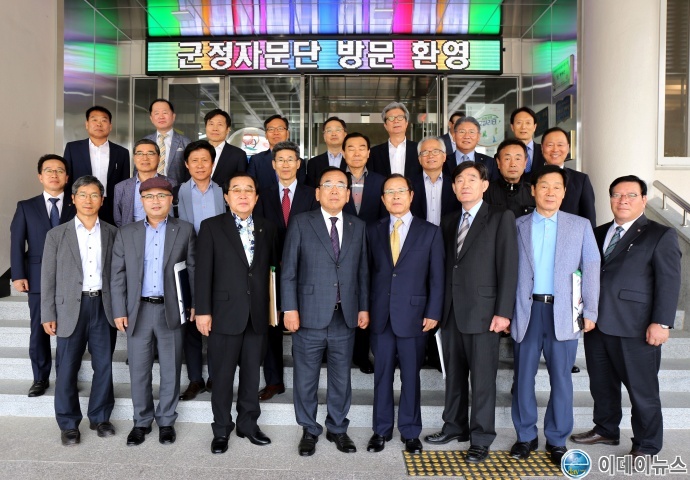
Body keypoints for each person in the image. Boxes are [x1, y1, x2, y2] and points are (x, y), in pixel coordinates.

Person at [571, 175, 682, 458]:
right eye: (617, 195)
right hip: (597, 324)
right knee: (601, 384)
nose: (623, 200)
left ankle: (647, 443)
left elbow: (669, 282)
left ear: (644, 200)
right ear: (610, 199)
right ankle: (606, 429)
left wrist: (661, 322)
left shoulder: (660, 234)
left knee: (641, 390)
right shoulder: (597, 233)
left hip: (636, 326)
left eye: (631, 195)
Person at [425, 161, 518, 464]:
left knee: (482, 380)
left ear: (484, 185)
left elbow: (508, 266)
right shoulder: (449, 220)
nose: (465, 185)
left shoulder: (501, 217)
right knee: (453, 376)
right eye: (459, 181)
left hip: (485, 313)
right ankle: (455, 427)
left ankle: (481, 438)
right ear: (453, 188)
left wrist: (504, 312)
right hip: (451, 312)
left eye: (471, 179)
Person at [509, 165, 600, 466]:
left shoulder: (580, 225)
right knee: (523, 377)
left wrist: (591, 310)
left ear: (564, 192)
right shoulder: (517, 225)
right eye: (544, 186)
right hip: (526, 310)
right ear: (533, 190)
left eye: (556, 187)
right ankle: (525, 436)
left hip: (564, 312)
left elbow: (591, 268)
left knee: (561, 379)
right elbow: (506, 270)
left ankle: (557, 438)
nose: (550, 192)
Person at [281, 166, 370, 457]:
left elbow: (362, 272)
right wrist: (290, 308)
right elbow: (289, 271)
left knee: (341, 378)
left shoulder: (358, 226)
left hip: (345, 316)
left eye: (341, 185)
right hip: (308, 315)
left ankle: (338, 428)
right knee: (305, 378)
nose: (334, 190)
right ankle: (309, 429)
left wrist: (364, 307)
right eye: (328, 185)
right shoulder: (301, 222)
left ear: (348, 194)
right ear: (318, 193)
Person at [195, 172, 278, 454]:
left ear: (256, 197)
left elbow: (272, 272)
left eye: (248, 190)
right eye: (237, 190)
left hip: (257, 315)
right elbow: (203, 272)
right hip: (223, 314)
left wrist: (274, 310)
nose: (243, 195)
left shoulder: (268, 227)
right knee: (222, 377)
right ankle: (221, 429)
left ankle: (247, 424)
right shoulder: (211, 227)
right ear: (226, 197)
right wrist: (203, 311)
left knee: (252, 376)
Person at [111, 177, 196, 447]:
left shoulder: (185, 230)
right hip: (138, 310)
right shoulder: (127, 232)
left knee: (171, 368)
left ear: (171, 200)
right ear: (141, 201)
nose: (155, 201)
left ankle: (167, 421)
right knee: (139, 370)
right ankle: (141, 421)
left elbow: (192, 269)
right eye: (149, 196)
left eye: (161, 196)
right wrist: (119, 309)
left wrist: (193, 303)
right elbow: (117, 275)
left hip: (171, 309)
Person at [366, 174, 444, 454]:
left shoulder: (430, 231)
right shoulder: (372, 230)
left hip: (415, 316)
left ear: (411, 195)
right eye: (390, 192)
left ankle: (411, 431)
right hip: (381, 316)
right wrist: (365, 309)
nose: (396, 196)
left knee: (411, 377)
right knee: (382, 375)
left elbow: (437, 277)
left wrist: (434, 311)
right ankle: (381, 430)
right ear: (383, 199)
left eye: (401, 191)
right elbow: (366, 274)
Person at [41, 175, 118, 446]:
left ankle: (100, 417)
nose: (88, 200)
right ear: (73, 199)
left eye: (94, 195)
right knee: (67, 368)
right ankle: (68, 423)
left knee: (104, 365)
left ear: (102, 200)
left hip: (103, 306)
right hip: (69, 308)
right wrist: (48, 313)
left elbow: (118, 275)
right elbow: (47, 277)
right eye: (82, 195)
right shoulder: (56, 235)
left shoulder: (112, 232)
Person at [254, 141, 319, 401]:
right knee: (272, 325)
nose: (285, 164)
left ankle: (305, 381)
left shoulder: (311, 194)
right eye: (280, 160)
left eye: (290, 159)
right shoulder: (263, 195)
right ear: (273, 164)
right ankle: (274, 381)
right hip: (272, 270)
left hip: (305, 270)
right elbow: (259, 232)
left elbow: (316, 233)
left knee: (302, 324)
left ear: (298, 164)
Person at [10, 154, 76, 397]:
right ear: (40, 176)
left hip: (71, 277)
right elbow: (17, 242)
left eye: (60, 170)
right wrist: (18, 274)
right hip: (38, 277)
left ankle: (66, 378)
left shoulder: (77, 204)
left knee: (68, 330)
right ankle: (40, 378)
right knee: (39, 329)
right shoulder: (26, 206)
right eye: (49, 170)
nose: (54, 174)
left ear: (67, 177)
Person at [174, 140, 226, 401]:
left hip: (220, 263)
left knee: (218, 322)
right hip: (186, 262)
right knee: (190, 322)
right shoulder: (178, 192)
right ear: (186, 164)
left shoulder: (224, 191)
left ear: (212, 163)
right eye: (194, 160)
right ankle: (195, 378)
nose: (200, 165)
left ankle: (216, 376)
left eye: (205, 160)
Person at [341, 132, 386, 374]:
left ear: (368, 153)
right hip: (339, 250)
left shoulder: (380, 181)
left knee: (366, 299)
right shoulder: (335, 179)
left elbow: (386, 218)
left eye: (361, 148)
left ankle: (361, 355)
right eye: (351, 148)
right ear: (343, 152)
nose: (356, 153)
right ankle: (339, 351)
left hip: (373, 250)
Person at [63, 106, 130, 225]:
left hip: (111, 207)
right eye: (94, 120)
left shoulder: (122, 152)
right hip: (81, 204)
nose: (99, 124)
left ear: (110, 126)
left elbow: (124, 184)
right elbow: (66, 179)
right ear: (87, 124)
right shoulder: (73, 148)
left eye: (104, 120)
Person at [541, 127, 596, 228]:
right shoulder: (529, 179)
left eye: (560, 145)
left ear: (568, 148)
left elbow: (589, 222)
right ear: (542, 148)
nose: (555, 149)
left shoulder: (581, 180)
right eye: (550, 145)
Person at [113, 139, 176, 227]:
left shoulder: (173, 184)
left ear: (159, 158)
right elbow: (118, 219)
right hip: (132, 234)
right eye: (140, 154)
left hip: (166, 234)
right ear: (134, 158)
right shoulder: (121, 187)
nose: (145, 158)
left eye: (150, 154)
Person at [410, 136, 460, 225]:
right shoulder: (409, 184)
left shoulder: (455, 184)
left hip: (447, 233)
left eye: (436, 151)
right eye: (425, 152)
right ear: (419, 159)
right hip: (418, 233)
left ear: (444, 157)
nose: (430, 156)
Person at [248, 114, 307, 189]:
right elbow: (250, 187)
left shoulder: (299, 162)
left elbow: (301, 189)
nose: (276, 133)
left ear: (287, 134)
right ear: (266, 135)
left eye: (280, 128)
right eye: (271, 129)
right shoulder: (256, 160)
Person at [483, 139, 535, 218]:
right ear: (498, 162)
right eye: (507, 159)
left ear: (525, 163)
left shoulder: (534, 192)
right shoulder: (485, 192)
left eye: (517, 159)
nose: (513, 164)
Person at [144, 98, 191, 186]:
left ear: (173, 116)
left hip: (177, 190)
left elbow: (191, 171)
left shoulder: (186, 142)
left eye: (165, 113)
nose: (161, 117)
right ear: (151, 118)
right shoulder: (144, 142)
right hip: (149, 190)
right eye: (156, 113)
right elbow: (137, 170)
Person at [369, 102, 421, 178]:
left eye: (400, 117)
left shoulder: (419, 149)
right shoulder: (374, 153)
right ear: (385, 125)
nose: (396, 121)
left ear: (406, 123)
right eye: (391, 118)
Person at [204, 108, 247, 188]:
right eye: (211, 124)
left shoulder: (238, 155)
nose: (215, 129)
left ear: (227, 129)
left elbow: (242, 183)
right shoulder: (194, 151)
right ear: (205, 127)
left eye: (220, 124)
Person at [446, 116, 498, 181]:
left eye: (471, 132)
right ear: (454, 136)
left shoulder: (490, 162)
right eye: (462, 132)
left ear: (478, 137)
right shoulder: (443, 161)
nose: (467, 136)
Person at [306, 117, 347, 186]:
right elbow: (311, 189)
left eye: (338, 130)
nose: (334, 134)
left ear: (345, 135)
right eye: (329, 131)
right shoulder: (313, 163)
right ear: (324, 137)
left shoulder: (353, 160)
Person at [509, 107, 543, 175]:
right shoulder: (503, 154)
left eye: (528, 123)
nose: (523, 127)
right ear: (512, 127)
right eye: (519, 123)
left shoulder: (544, 151)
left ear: (534, 127)